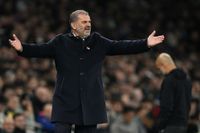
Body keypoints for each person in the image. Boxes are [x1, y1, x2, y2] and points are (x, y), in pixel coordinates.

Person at [9, 9, 164, 133]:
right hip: (66, 102)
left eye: (89, 22)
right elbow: (40, 49)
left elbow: (120, 46)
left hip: (90, 102)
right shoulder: (60, 42)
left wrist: (145, 43)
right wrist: (22, 48)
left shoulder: (98, 41)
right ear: (73, 25)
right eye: (84, 22)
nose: (88, 24)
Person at [155, 53, 192, 133]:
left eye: (159, 68)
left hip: (170, 125)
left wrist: (160, 125)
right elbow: (188, 103)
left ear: (163, 65)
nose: (160, 71)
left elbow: (167, 106)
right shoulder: (187, 80)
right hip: (183, 124)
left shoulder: (169, 80)